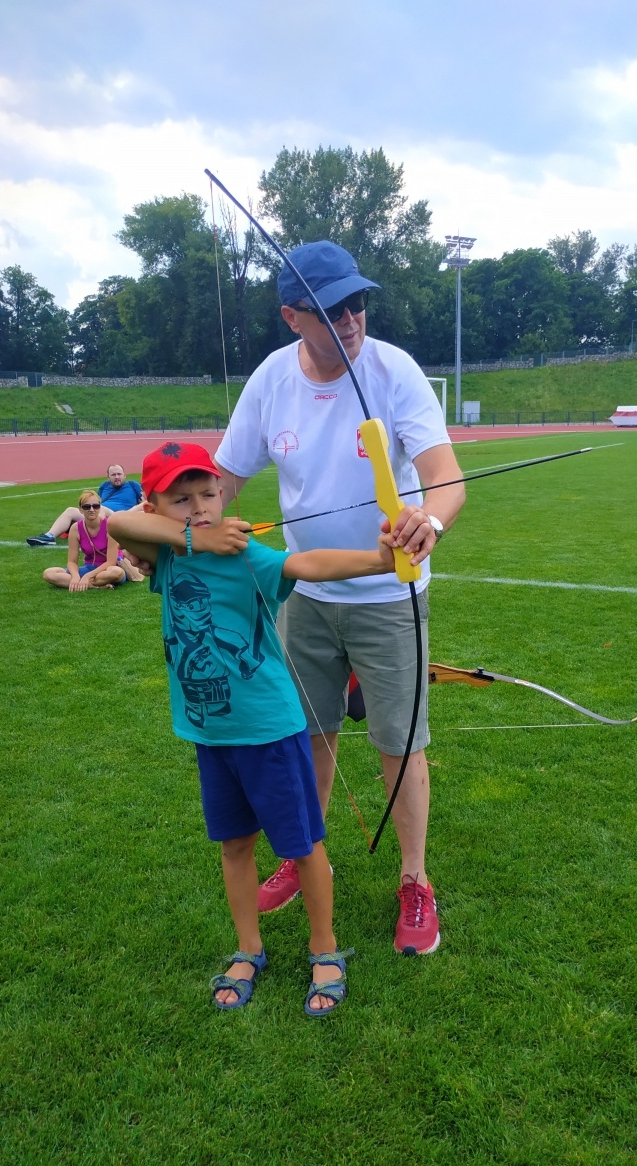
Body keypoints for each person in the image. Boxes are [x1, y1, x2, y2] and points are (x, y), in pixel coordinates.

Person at [213, 240, 466, 955]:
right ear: (294, 316)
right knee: (309, 735)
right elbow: (226, 475)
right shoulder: (269, 381)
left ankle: (414, 881)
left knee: (399, 742)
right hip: (308, 592)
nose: (353, 318)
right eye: (333, 309)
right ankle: (305, 856)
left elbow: (445, 475)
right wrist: (181, 525)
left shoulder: (394, 370)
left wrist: (430, 519)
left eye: (359, 302)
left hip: (390, 595)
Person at [107, 441, 397, 1014]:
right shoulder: (168, 559)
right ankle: (248, 948)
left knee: (301, 844)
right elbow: (118, 521)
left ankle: (325, 949)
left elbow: (303, 564)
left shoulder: (244, 557)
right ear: (156, 503)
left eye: (208, 493)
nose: (200, 506)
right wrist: (191, 536)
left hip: (268, 730)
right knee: (235, 845)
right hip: (211, 735)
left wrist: (380, 561)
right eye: (181, 498)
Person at [27, 464, 144, 547]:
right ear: (108, 477)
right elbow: (97, 502)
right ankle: (49, 536)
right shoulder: (104, 486)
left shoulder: (133, 486)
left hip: (118, 517)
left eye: (119, 474)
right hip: (99, 513)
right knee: (70, 510)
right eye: (113, 475)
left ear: (125, 475)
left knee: (101, 508)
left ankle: (97, 539)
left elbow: (143, 504)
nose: (117, 477)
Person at [42, 489, 127, 591]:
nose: (91, 509)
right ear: (80, 510)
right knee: (49, 574)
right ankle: (94, 586)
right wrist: (75, 576)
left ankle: (83, 583)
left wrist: (87, 576)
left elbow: (111, 562)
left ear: (100, 508)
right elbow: (72, 561)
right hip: (89, 567)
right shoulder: (75, 528)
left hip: (107, 569)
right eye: (87, 507)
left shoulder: (110, 526)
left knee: (116, 572)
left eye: (95, 506)